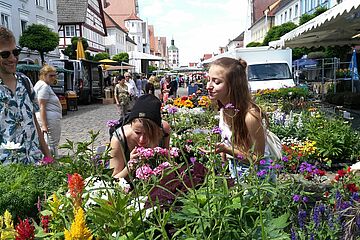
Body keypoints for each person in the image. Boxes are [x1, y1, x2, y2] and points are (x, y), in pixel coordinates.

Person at [206, 57, 270, 179]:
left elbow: (258, 159)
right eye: (208, 80)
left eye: (216, 82)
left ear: (233, 85)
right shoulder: (224, 109)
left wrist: (226, 149)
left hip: (257, 179)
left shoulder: (250, 116)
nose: (209, 86)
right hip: (236, 169)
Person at [0, 26, 51, 164]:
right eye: (5, 54)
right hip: (8, 171)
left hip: (35, 163)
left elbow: (34, 122)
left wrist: (48, 157)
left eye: (15, 52)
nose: (13, 58)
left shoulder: (25, 82)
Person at [109, 94, 171, 179]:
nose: (142, 139)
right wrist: (130, 166)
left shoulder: (164, 130)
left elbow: (167, 160)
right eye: (137, 132)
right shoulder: (119, 139)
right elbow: (113, 179)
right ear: (131, 125)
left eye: (149, 133)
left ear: (157, 130)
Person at [34, 65, 62, 157]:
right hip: (49, 120)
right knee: (51, 143)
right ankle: (53, 163)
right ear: (44, 75)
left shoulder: (42, 84)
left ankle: (51, 161)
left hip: (49, 118)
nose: (53, 78)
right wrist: (44, 125)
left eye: (55, 75)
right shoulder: (44, 86)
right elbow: (42, 106)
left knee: (50, 143)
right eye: (51, 76)